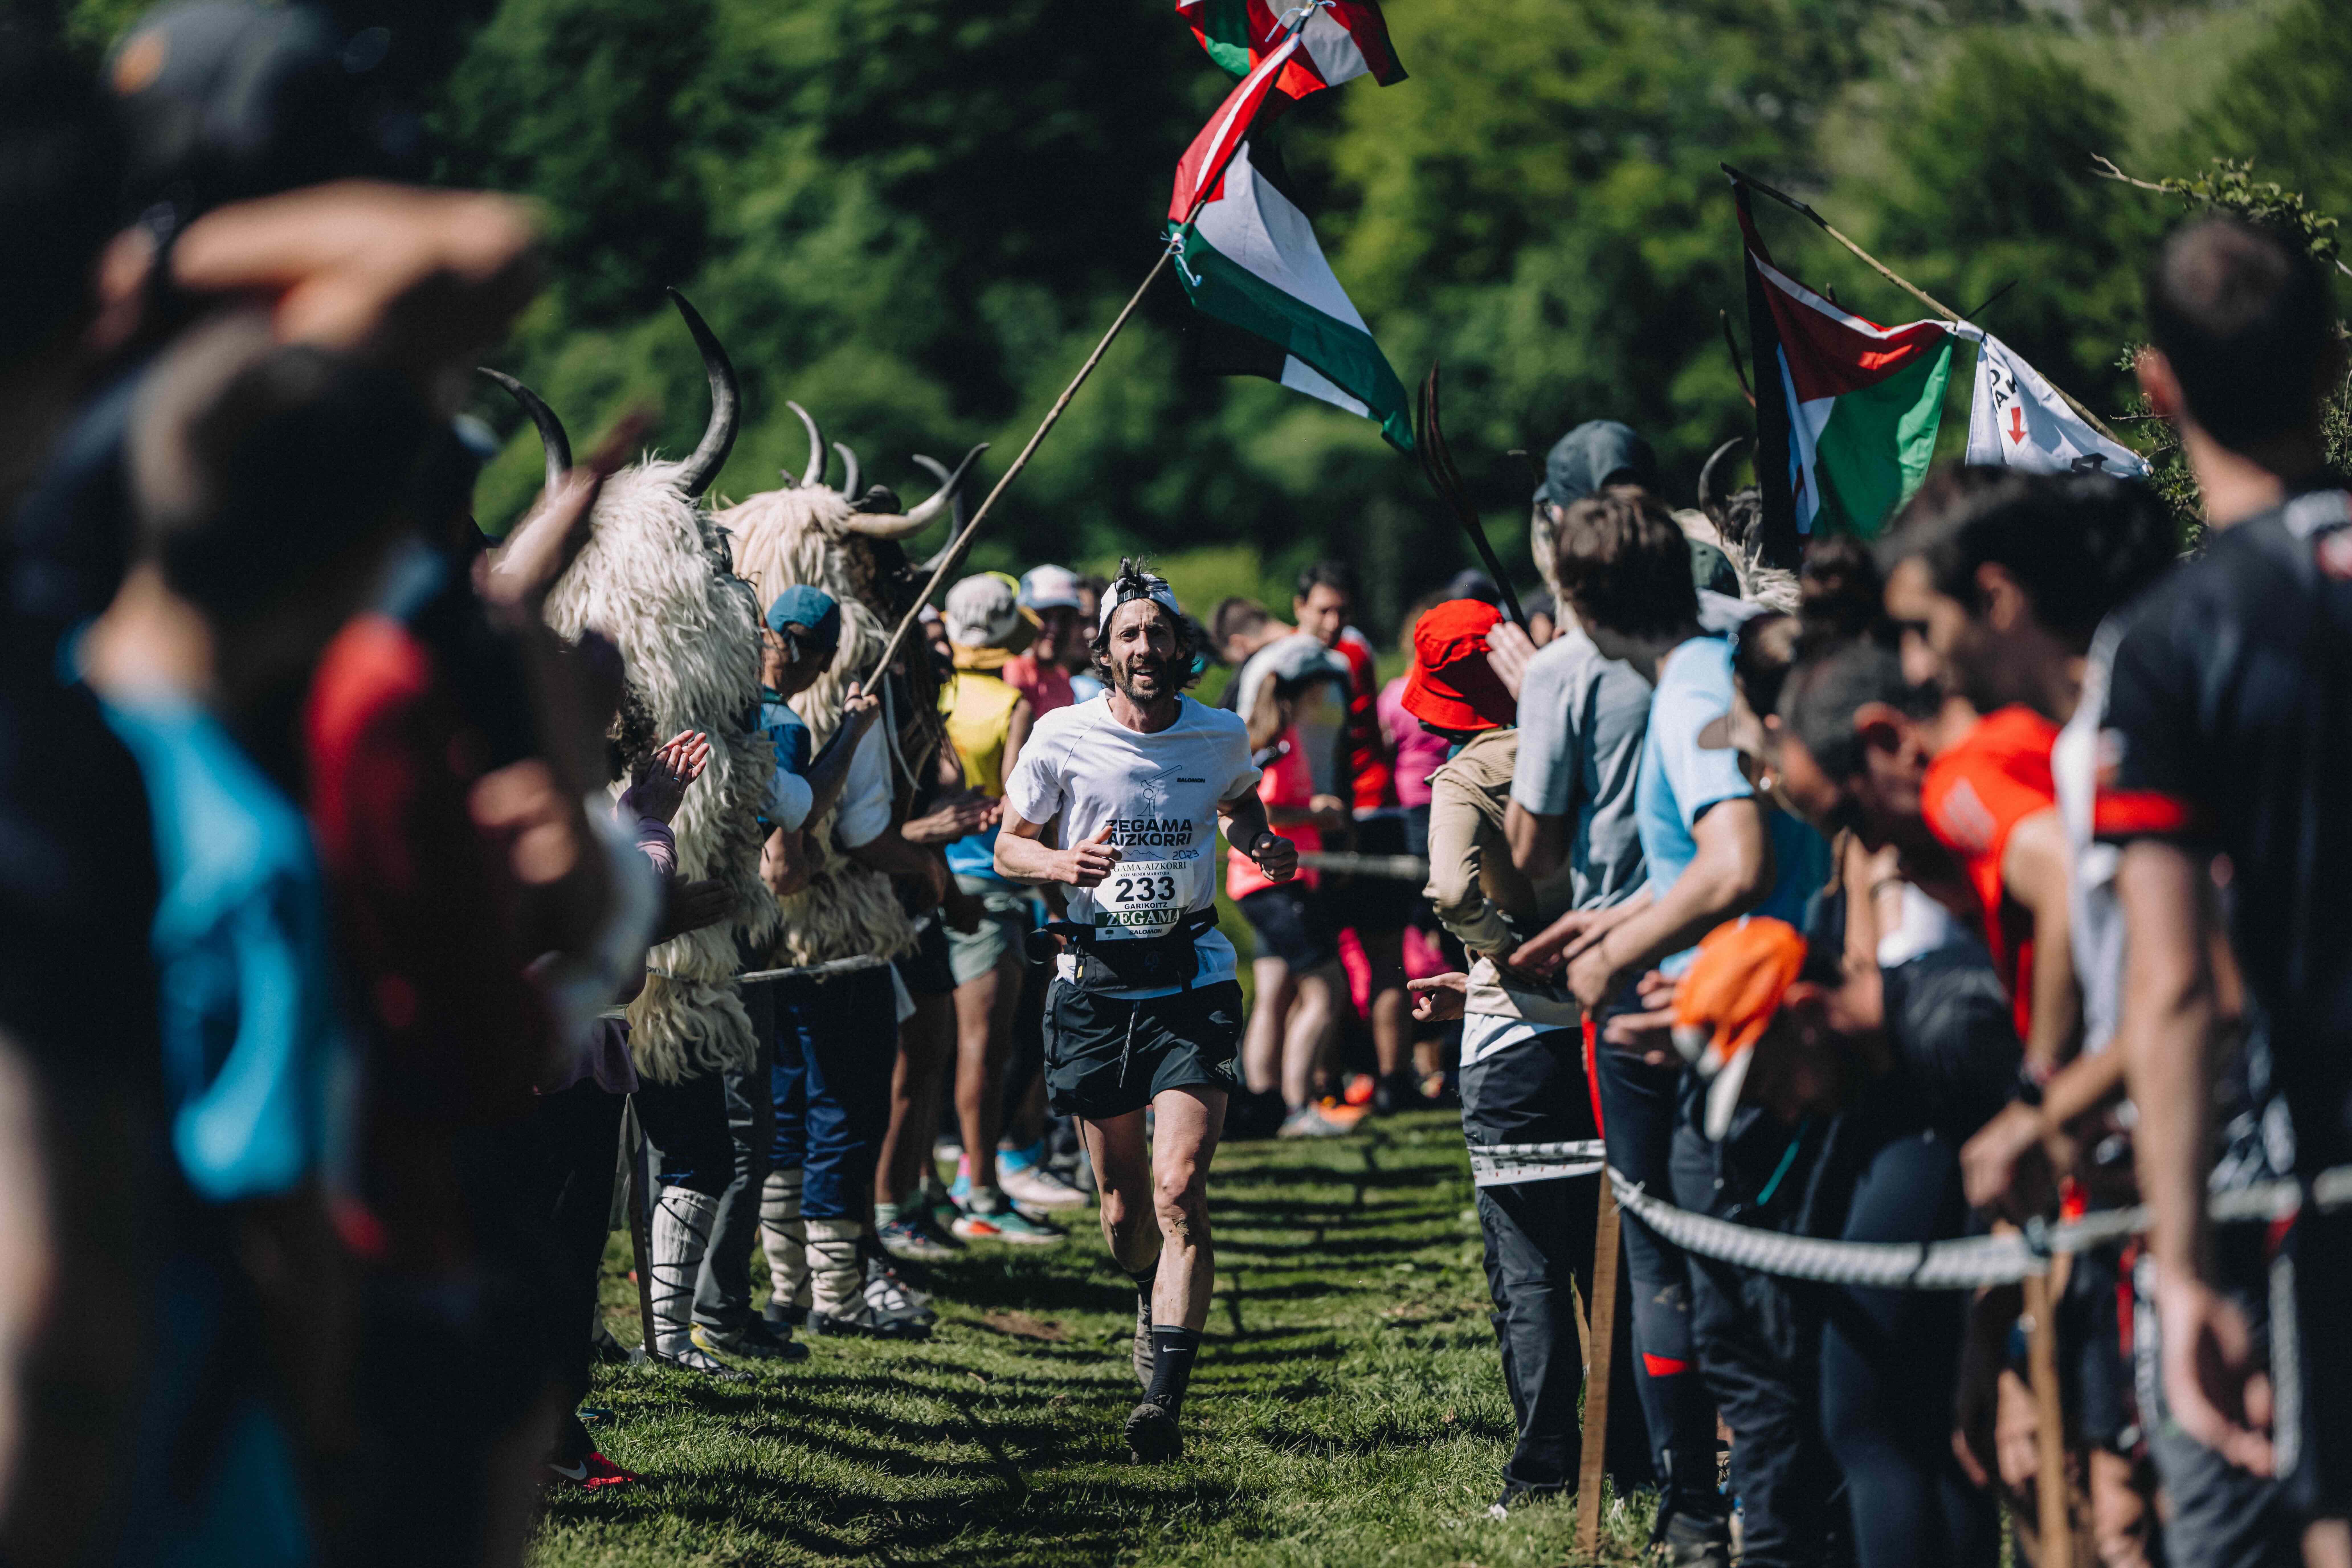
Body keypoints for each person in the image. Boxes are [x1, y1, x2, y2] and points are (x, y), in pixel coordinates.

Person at [84, 320, 430, 1568]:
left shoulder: (47, 748)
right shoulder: (251, 851)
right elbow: (276, 1206)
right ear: (346, 569)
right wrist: (328, 1432)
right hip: (176, 1424)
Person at [2100, 215, 2351, 1563]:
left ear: (2156, 385)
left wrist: (2185, 1264)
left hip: (2325, 1164)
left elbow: (2175, 981)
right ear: (2332, 364)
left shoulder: (2168, 639)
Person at [1522, 488, 1832, 1567]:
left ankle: (1746, 1522)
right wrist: (1623, 915)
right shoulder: (1708, 664)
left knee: (1719, 1295)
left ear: (1578, 599)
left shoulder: (1690, 683)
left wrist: (1620, 951)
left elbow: (1735, 859)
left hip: (1727, 1025)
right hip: (1740, 1003)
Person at [995, 560, 1296, 1463]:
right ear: (1105, 650)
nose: (1145, 648)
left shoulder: (1217, 734)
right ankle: (1147, 1291)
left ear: (1181, 647)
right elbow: (1008, 845)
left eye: (1159, 633)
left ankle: (1160, 1403)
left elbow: (1240, 806)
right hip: (1094, 985)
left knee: (1179, 1192)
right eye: (1129, 634)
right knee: (1126, 1210)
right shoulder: (1061, 736)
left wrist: (1263, 843)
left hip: (1193, 980)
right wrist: (1058, 866)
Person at [1395, 597, 1628, 1511]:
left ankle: (1543, 1472)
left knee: (1528, 1264)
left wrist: (1500, 951)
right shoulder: (1594, 737)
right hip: (1610, 1018)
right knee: (1616, 1253)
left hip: (1516, 1039)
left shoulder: (1467, 775)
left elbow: (1452, 889)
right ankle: (1640, 1458)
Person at [932, 572, 1067, 1242]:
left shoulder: (934, 692)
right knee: (986, 1049)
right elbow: (1022, 816)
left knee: (942, 1046)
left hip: (931, 879)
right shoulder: (1012, 703)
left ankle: (954, 1181)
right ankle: (979, 1188)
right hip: (993, 888)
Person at [1292, 562, 1416, 1111]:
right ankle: (1337, 1080)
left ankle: (1387, 1079)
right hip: (1336, 820)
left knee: (1380, 956)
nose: (1334, 620)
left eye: (1342, 610)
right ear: (1301, 609)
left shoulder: (1326, 657)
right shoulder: (1338, 653)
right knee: (1328, 959)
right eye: (1323, 610)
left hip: (1363, 816)